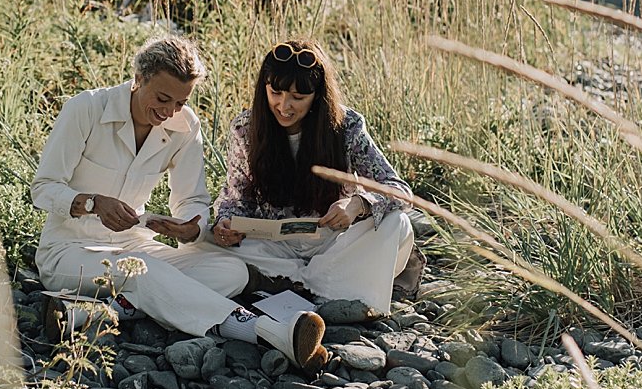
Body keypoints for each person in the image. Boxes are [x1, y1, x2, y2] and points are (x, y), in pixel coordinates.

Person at [31, 35, 328, 371]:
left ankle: (91, 312)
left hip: (134, 245)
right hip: (68, 251)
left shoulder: (185, 126)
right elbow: (43, 188)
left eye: (180, 102)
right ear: (138, 78)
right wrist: (93, 203)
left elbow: (192, 199)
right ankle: (267, 332)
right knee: (143, 273)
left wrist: (190, 226)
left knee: (230, 271)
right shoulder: (85, 108)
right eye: (162, 98)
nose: (169, 111)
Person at [207, 39, 416, 315]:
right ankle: (326, 289)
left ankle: (292, 287)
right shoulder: (246, 128)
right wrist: (225, 223)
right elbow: (235, 198)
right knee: (203, 240)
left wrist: (358, 204)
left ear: (317, 95)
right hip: (273, 247)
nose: (285, 106)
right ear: (264, 89)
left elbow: (398, 190)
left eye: (298, 97)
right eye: (276, 93)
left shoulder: (347, 125)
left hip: (335, 244)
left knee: (397, 224)